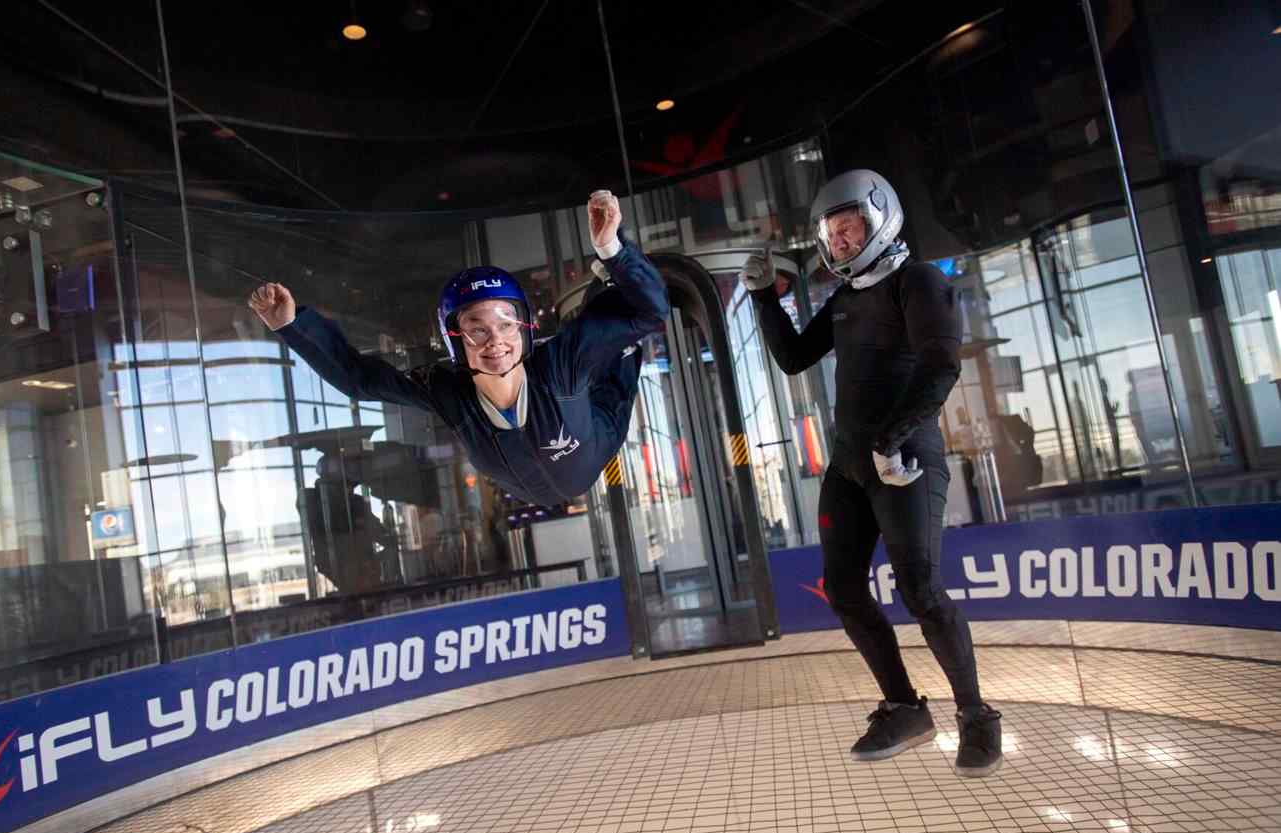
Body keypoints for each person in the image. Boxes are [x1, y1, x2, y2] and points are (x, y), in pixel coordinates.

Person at [740, 169, 1003, 777]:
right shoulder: (850, 295)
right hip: (850, 466)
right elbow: (793, 356)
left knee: (921, 591)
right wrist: (762, 296)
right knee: (844, 589)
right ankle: (905, 707)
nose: (840, 241)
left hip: (907, 460)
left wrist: (893, 439)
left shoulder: (918, 282)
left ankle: (977, 718)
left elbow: (941, 367)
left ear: (879, 218)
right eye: (832, 234)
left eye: (850, 227)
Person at [249, 190, 668, 507]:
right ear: (454, 340)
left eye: (505, 324)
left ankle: (611, 284)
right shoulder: (447, 390)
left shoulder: (560, 361)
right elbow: (359, 380)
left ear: (524, 326)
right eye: (477, 329)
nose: (496, 341)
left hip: (593, 448)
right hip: (528, 491)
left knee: (619, 353)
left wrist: (611, 248)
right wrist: (291, 324)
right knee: (610, 330)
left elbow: (651, 313)